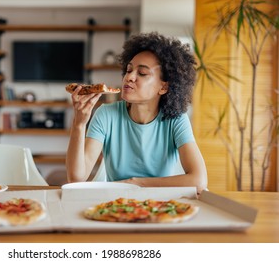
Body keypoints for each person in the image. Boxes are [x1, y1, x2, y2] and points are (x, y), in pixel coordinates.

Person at [66, 32, 208, 193]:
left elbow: (199, 180)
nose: (129, 77)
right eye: (128, 70)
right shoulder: (106, 114)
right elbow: (76, 178)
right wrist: (79, 123)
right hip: (117, 203)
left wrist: (135, 183)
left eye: (142, 73)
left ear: (164, 87)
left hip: (160, 205)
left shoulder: (176, 119)